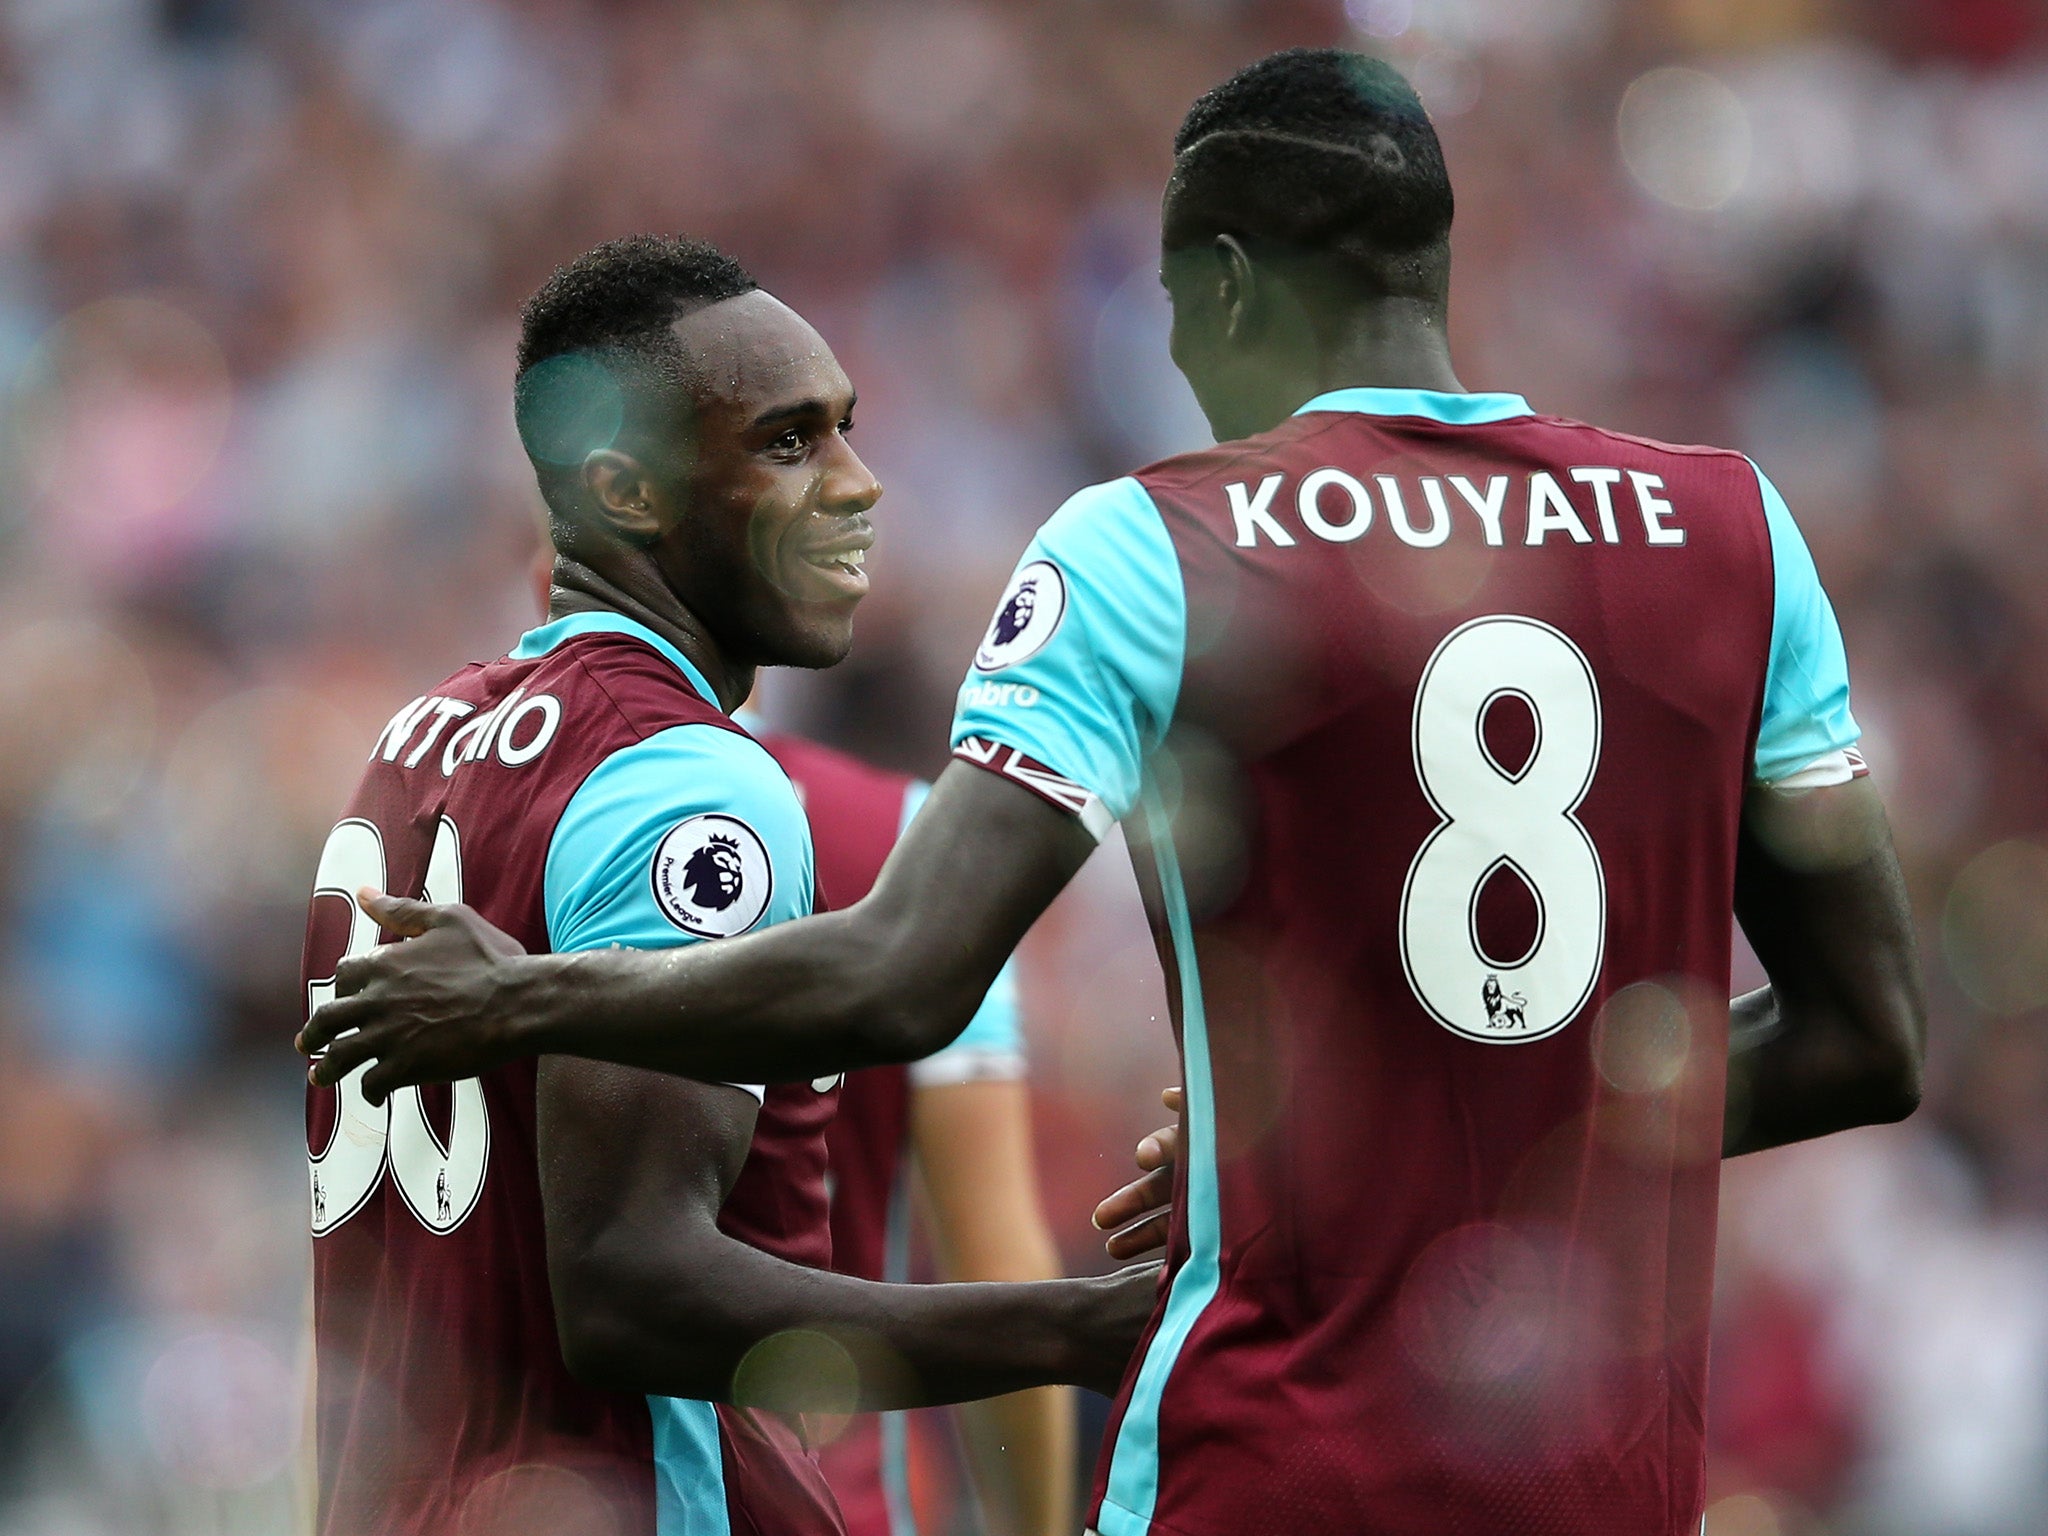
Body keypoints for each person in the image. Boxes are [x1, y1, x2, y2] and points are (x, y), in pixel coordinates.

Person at [301, 52, 1926, 1536]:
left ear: (1219, 289)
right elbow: (1864, 1040)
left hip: (1266, 1463)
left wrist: (516, 1001)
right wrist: (1483, 1140)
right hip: (1602, 1476)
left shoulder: (1151, 546)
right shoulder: (1734, 529)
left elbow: (898, 975)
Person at [299, 235, 1150, 1536]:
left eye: (848, 433)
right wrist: (1080, 1327)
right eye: (791, 443)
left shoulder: (415, 746)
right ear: (630, 493)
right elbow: (632, 1295)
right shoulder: (690, 784)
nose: (862, 487)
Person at [753, 728, 1075, 1536]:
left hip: (548, 1494)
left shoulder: (487, 806)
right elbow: (994, 1267)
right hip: (826, 1498)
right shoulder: (907, 837)